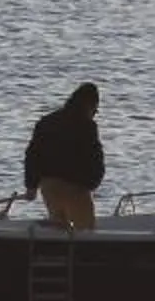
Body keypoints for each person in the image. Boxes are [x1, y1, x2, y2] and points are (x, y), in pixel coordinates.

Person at [22, 82, 106, 231]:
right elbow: (95, 159)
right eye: (95, 110)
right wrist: (92, 184)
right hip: (75, 187)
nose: (94, 114)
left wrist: (31, 186)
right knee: (85, 231)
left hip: (49, 186)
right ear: (90, 105)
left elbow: (32, 155)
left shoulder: (46, 122)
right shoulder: (87, 127)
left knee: (59, 229)